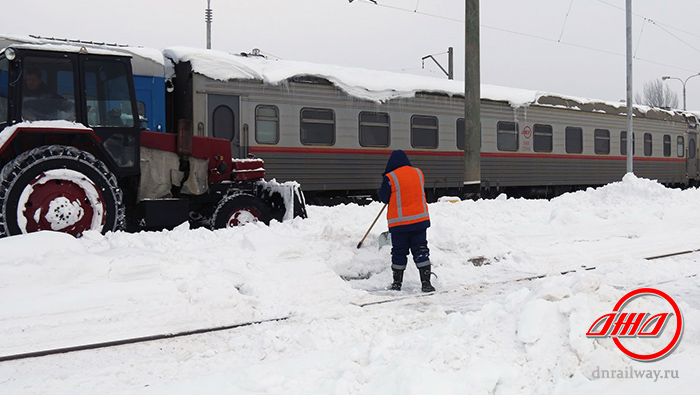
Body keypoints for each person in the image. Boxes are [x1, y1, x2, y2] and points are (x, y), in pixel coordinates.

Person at [378, 150, 435, 292]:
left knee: (399, 252)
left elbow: (384, 198)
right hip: (420, 221)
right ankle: (426, 283)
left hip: (399, 224)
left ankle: (397, 283)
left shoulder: (390, 177)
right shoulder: (418, 173)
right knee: (421, 249)